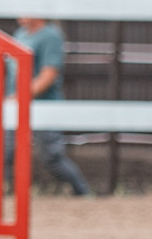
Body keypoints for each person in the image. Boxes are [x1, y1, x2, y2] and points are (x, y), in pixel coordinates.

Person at [13, 16, 95, 197]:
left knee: (52, 157)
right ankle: (10, 193)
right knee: (7, 152)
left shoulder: (51, 36)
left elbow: (48, 75)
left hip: (44, 105)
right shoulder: (20, 34)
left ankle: (82, 192)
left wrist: (19, 97)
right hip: (15, 104)